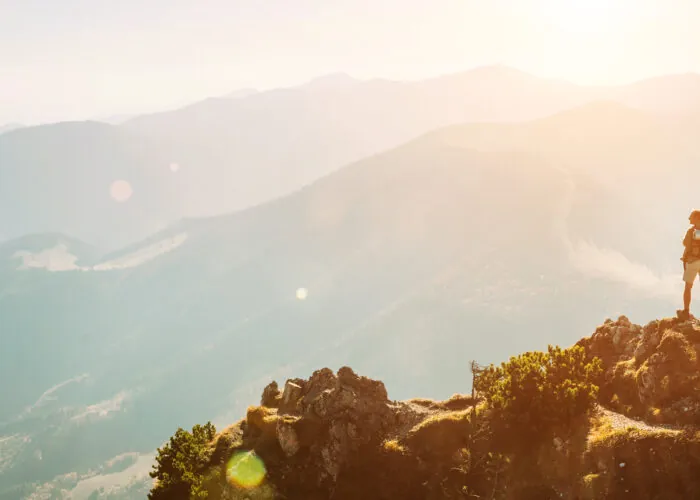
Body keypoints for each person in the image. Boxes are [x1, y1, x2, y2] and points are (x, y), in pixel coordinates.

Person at [678, 210, 700, 320]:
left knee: (688, 287)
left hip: (692, 261)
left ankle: (686, 311)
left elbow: (685, 243)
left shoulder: (692, 231)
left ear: (697, 217)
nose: (689, 219)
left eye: (691, 217)